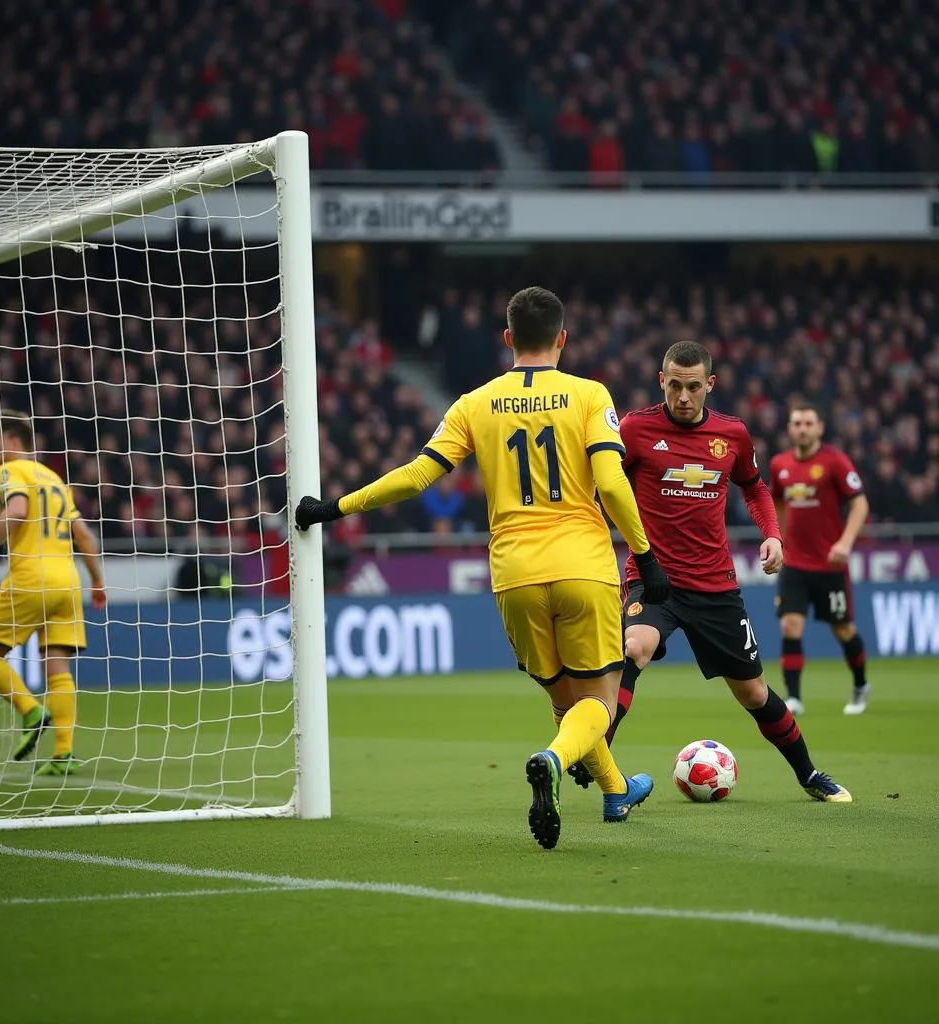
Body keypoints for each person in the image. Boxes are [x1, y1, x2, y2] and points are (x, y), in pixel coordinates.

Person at [296, 286, 671, 849]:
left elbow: (417, 476)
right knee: (596, 700)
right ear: (563, 339)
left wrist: (333, 508)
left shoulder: (475, 402)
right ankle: (551, 759)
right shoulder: (590, 395)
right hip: (582, 561)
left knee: (562, 700)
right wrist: (645, 555)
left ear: (507, 339)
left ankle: (617, 790)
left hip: (514, 572)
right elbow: (613, 484)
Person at [570, 341, 851, 803]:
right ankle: (598, 757)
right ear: (662, 380)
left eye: (693, 387)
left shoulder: (733, 435)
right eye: (675, 385)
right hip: (653, 575)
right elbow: (601, 483)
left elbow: (756, 488)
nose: (683, 396)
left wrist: (773, 534)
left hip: (715, 586)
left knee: (754, 694)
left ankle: (809, 774)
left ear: (710, 385)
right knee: (633, 648)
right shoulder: (636, 429)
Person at [0, 411, 106, 775]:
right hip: (67, 580)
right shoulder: (55, 478)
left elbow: (17, 511)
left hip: (31, 576)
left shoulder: (12, 471)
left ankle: (30, 710)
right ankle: (63, 753)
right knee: (57, 664)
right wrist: (98, 581)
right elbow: (84, 535)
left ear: (12, 441)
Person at [770, 405, 871, 715]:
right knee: (790, 624)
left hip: (830, 565)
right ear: (790, 428)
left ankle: (860, 684)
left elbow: (860, 505)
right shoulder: (779, 465)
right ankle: (795, 698)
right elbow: (777, 502)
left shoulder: (835, 461)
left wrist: (845, 543)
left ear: (819, 428)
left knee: (843, 629)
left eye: (808, 423)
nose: (802, 428)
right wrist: (780, 539)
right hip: (795, 565)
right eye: (797, 423)